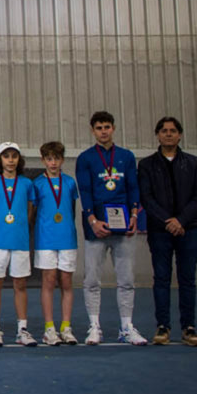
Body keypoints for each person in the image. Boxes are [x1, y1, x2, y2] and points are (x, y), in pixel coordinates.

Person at [75, 111, 147, 346]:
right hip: (96, 228)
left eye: (107, 126)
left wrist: (135, 215)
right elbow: (85, 191)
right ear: (92, 130)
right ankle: (94, 326)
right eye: (99, 127)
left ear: (113, 128)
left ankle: (126, 326)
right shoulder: (85, 158)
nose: (103, 131)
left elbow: (133, 187)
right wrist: (93, 220)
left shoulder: (126, 156)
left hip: (124, 226)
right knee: (92, 279)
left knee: (126, 279)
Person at [138, 117, 197, 347]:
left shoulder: (194, 163)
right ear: (158, 134)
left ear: (180, 135)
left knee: (187, 279)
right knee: (161, 279)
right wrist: (167, 221)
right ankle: (163, 326)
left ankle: (189, 327)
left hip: (189, 230)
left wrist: (181, 220)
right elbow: (146, 198)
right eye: (164, 131)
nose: (169, 134)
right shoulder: (147, 165)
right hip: (160, 231)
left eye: (173, 130)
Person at [0, 142, 38, 347]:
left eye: (14, 156)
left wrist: (20, 227)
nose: (11, 160)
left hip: (20, 241)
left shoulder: (26, 184)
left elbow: (30, 210)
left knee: (20, 285)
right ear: (0, 159)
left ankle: (22, 329)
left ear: (19, 159)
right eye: (6, 156)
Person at [32, 141, 79, 346]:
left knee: (67, 282)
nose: (53, 163)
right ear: (43, 160)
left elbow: (72, 209)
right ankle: (49, 328)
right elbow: (33, 212)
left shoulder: (70, 183)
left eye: (57, 158)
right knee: (49, 281)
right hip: (45, 239)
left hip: (67, 238)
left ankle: (66, 327)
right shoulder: (37, 184)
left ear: (62, 160)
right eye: (49, 159)